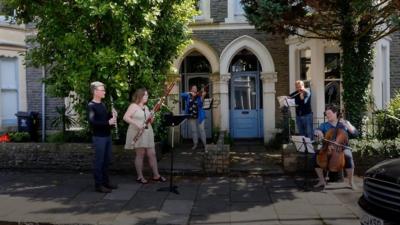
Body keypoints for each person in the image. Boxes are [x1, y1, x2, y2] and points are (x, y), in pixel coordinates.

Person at [123, 88, 166, 184]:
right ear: (139, 96)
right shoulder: (133, 106)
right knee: (140, 154)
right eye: (145, 95)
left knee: (152, 154)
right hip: (137, 132)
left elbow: (149, 121)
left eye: (147, 95)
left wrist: (152, 117)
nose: (147, 97)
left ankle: (156, 175)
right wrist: (137, 124)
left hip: (147, 132)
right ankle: (140, 176)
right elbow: (125, 117)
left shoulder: (146, 107)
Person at [313, 104, 358, 190]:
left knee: (348, 156)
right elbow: (317, 131)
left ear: (335, 113)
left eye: (329, 113)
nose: (327, 115)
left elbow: (355, 133)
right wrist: (318, 132)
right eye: (326, 114)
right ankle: (322, 180)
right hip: (328, 147)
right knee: (316, 156)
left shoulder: (344, 123)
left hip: (342, 147)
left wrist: (348, 126)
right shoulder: (324, 125)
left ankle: (351, 182)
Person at [87, 81, 118, 193]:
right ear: (95, 91)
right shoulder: (91, 106)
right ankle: (98, 185)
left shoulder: (103, 104)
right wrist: (108, 123)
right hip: (99, 137)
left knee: (106, 160)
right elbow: (93, 122)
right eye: (102, 90)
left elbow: (104, 118)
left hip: (107, 136)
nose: (104, 92)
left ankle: (106, 182)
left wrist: (112, 115)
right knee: (99, 161)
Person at [181, 85, 207, 150]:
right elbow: (181, 95)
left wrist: (203, 96)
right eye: (193, 88)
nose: (194, 89)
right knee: (194, 131)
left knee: (202, 130)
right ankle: (195, 144)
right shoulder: (188, 95)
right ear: (191, 89)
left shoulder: (199, 96)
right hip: (191, 116)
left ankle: (205, 145)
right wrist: (189, 93)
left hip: (200, 116)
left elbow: (200, 104)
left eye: (195, 88)